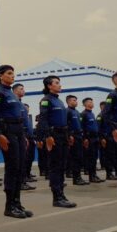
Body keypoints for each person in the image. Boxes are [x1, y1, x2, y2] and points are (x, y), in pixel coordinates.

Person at [0, 65, 32, 218]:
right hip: (8, 132)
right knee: (12, 168)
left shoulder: (12, 93)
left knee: (20, 168)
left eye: (13, 73)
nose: (12, 76)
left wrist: (24, 136)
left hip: (18, 132)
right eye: (9, 73)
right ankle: (9, 206)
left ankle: (17, 203)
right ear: (1, 76)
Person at [36, 76, 76, 208]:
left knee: (62, 166)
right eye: (56, 83)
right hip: (54, 135)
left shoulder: (59, 101)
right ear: (49, 86)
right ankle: (57, 197)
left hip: (63, 135)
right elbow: (43, 119)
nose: (59, 85)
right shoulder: (46, 100)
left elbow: (64, 120)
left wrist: (68, 135)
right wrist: (47, 136)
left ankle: (62, 194)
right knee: (55, 166)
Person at [65, 95, 88, 186]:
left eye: (76, 100)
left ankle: (78, 177)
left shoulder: (77, 112)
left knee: (79, 158)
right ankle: (76, 178)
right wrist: (69, 135)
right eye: (74, 100)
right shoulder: (67, 111)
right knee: (75, 158)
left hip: (79, 136)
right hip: (73, 137)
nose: (76, 102)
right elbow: (66, 124)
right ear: (68, 102)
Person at [79, 98, 103, 183]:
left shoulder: (92, 113)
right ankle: (91, 176)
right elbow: (81, 127)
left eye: (92, 102)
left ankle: (94, 174)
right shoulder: (83, 114)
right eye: (90, 102)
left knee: (94, 157)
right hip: (89, 138)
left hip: (95, 138)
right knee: (90, 158)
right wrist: (84, 138)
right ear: (85, 104)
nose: (92, 103)